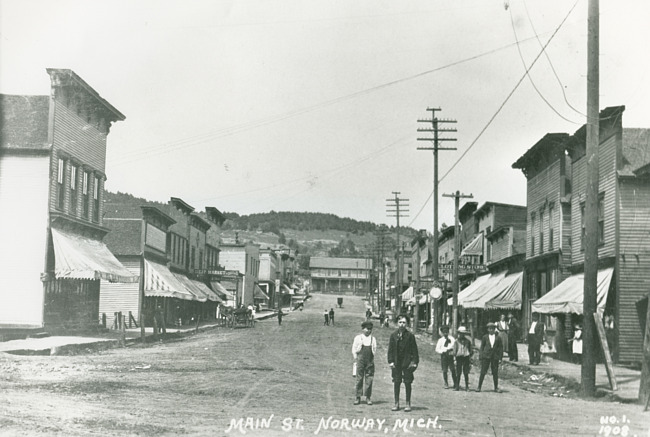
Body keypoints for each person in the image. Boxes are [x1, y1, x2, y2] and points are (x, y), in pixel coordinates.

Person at [387, 314, 419, 412]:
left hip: (407, 362)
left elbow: (415, 351)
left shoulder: (410, 336)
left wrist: (414, 362)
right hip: (397, 363)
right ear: (397, 323)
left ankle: (408, 403)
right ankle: (396, 403)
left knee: (407, 382)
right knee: (397, 382)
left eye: (404, 322)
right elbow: (390, 350)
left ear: (407, 324)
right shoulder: (393, 335)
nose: (402, 324)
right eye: (400, 322)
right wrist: (391, 361)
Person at [352, 321, 377, 405]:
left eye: (370, 329)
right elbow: (354, 348)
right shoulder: (358, 338)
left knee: (369, 379)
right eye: (366, 329)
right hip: (360, 360)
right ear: (362, 329)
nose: (368, 331)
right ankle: (358, 397)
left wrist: (371, 359)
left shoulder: (372, 339)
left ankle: (368, 397)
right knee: (359, 378)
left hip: (369, 361)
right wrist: (356, 358)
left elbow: (374, 349)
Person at [477, 322, 504, 393]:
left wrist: (500, 358)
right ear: (488, 329)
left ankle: (496, 387)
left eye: (492, 328)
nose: (491, 330)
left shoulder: (498, 338)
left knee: (495, 372)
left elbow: (501, 348)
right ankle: (479, 387)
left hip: (494, 357)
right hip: (486, 356)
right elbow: (482, 347)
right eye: (490, 329)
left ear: (495, 329)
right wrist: (481, 356)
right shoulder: (485, 337)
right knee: (483, 372)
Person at [453, 326, 473, 391]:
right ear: (459, 333)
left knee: (466, 372)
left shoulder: (468, 341)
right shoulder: (456, 341)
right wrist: (454, 358)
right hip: (459, 357)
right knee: (458, 372)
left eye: (463, 333)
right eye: (460, 333)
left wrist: (470, 357)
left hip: (466, 357)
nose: (462, 335)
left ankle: (467, 386)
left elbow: (471, 350)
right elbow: (454, 351)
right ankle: (457, 386)